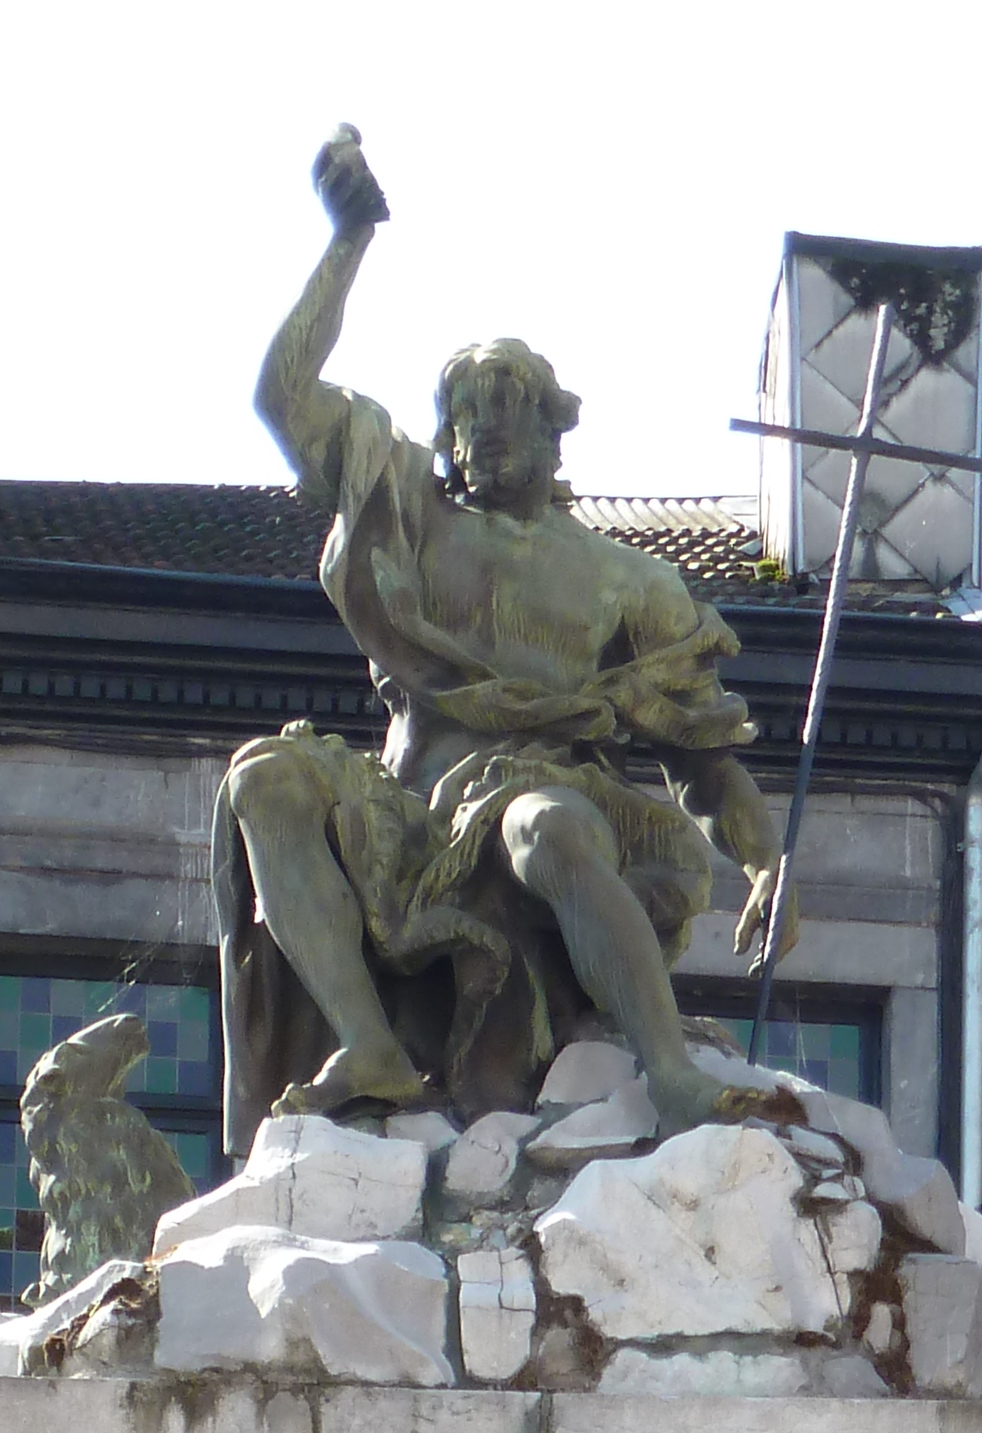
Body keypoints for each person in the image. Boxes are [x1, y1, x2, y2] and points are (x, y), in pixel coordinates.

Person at [214, 124, 795, 1151]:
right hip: (410, 815)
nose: (483, 426)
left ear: (554, 426)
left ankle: (669, 1074)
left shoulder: (630, 583)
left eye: (509, 405)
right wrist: (348, 241)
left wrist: (766, 864)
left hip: (543, 800)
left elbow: (704, 764)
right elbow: (281, 398)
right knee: (265, 779)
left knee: (549, 828)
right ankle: (370, 1044)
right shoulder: (411, 514)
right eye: (465, 409)